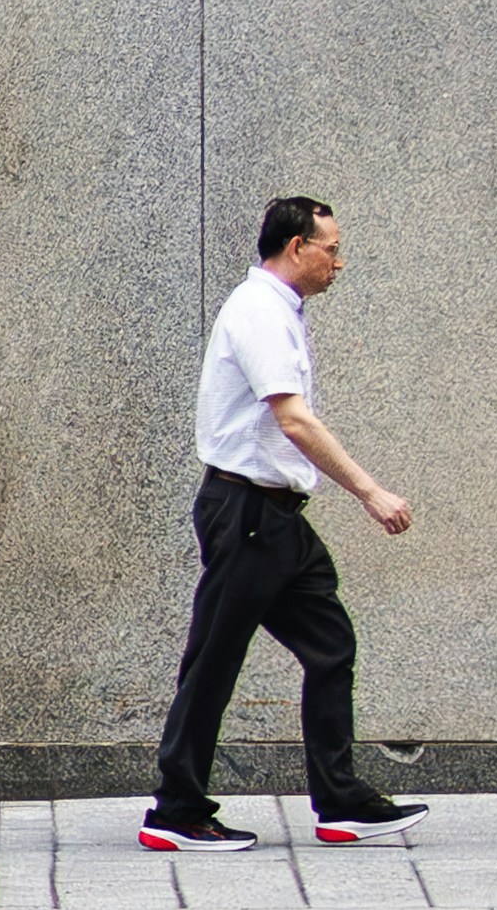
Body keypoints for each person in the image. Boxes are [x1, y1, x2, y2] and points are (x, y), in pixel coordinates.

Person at [140, 193, 427, 856]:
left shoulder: (278, 310)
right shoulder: (259, 312)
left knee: (330, 645)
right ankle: (175, 810)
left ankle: (342, 801)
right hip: (246, 513)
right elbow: (293, 418)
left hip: (274, 516)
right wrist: (369, 491)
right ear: (297, 246)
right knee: (212, 661)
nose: (340, 262)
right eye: (331, 248)